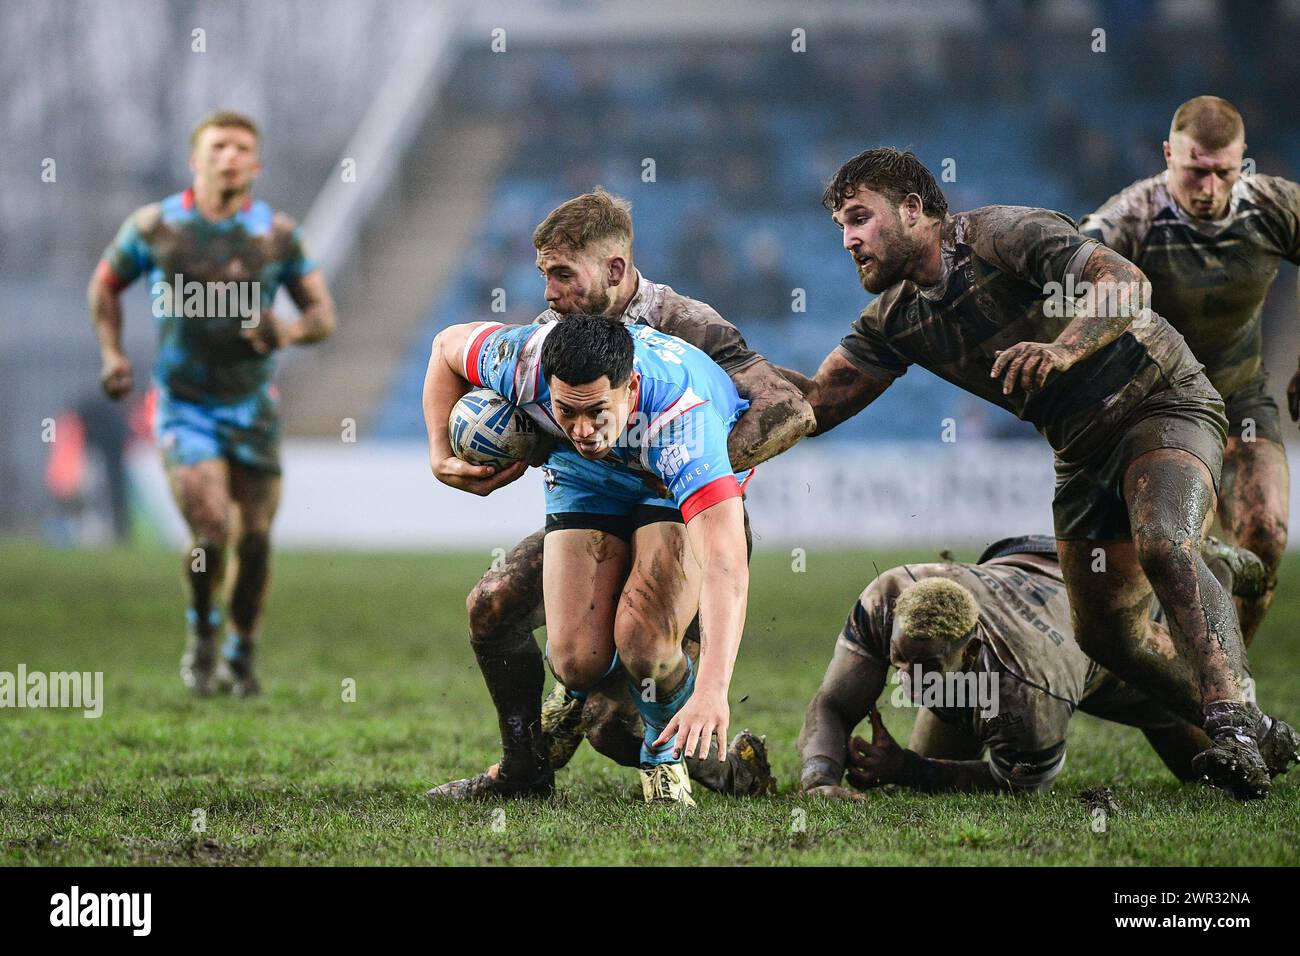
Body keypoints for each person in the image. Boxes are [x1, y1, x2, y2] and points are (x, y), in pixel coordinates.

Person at [780, 146, 1294, 799]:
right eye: (840, 227)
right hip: (1081, 453)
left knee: (1165, 542)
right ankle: (1257, 724)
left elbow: (1128, 283)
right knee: (1110, 638)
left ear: (913, 209)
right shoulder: (896, 321)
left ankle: (1235, 723)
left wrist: (1063, 348)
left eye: (860, 217)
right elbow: (812, 407)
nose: (849, 239)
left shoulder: (1002, 236)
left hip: (1158, 402)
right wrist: (714, 417)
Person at [427, 189, 813, 800]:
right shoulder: (546, 340)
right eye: (543, 275)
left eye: (561, 275)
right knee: (499, 608)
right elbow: (449, 348)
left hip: (683, 505)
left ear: (614, 269)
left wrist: (683, 469)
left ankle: (725, 769)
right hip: (594, 497)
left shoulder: (689, 327)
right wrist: (444, 456)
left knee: (625, 698)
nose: (549, 291)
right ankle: (527, 766)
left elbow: (789, 409)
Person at [424, 315, 769, 805]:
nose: (582, 429)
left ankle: (662, 763)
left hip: (665, 479)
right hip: (588, 478)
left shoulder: (683, 420)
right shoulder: (519, 360)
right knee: (574, 660)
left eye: (596, 413)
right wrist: (439, 453)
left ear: (629, 388)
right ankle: (576, 698)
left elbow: (726, 562)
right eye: (566, 410)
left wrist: (714, 688)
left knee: (644, 642)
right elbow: (444, 347)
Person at [87, 110, 336, 696]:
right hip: (183, 404)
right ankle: (202, 630)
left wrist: (288, 332)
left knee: (254, 538)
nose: (231, 156)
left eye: (242, 147)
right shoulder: (156, 227)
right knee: (210, 531)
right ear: (195, 159)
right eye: (219, 146)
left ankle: (241, 651)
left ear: (257, 163)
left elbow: (322, 315)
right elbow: (104, 283)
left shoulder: (277, 234)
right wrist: (112, 355)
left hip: (252, 406)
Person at [796, 535, 1297, 797]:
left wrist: (905, 768)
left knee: (1208, 771)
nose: (904, 681)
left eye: (923, 670)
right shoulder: (890, 597)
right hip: (1028, 561)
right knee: (937, 745)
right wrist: (821, 780)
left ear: (969, 655)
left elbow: (1012, 782)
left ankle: (1208, 566)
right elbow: (834, 703)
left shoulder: (1030, 693)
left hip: (1113, 651)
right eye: (898, 661)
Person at [1081, 95, 1300, 643]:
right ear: (1167, 154)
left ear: (1241, 161)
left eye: (1222, 173)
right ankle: (1183, 671)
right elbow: (1065, 290)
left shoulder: (1275, 209)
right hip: (1158, 407)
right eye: (1194, 171)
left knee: (1267, 535)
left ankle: (1229, 676)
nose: (1208, 188)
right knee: (1167, 556)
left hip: (1241, 398)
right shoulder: (1127, 221)